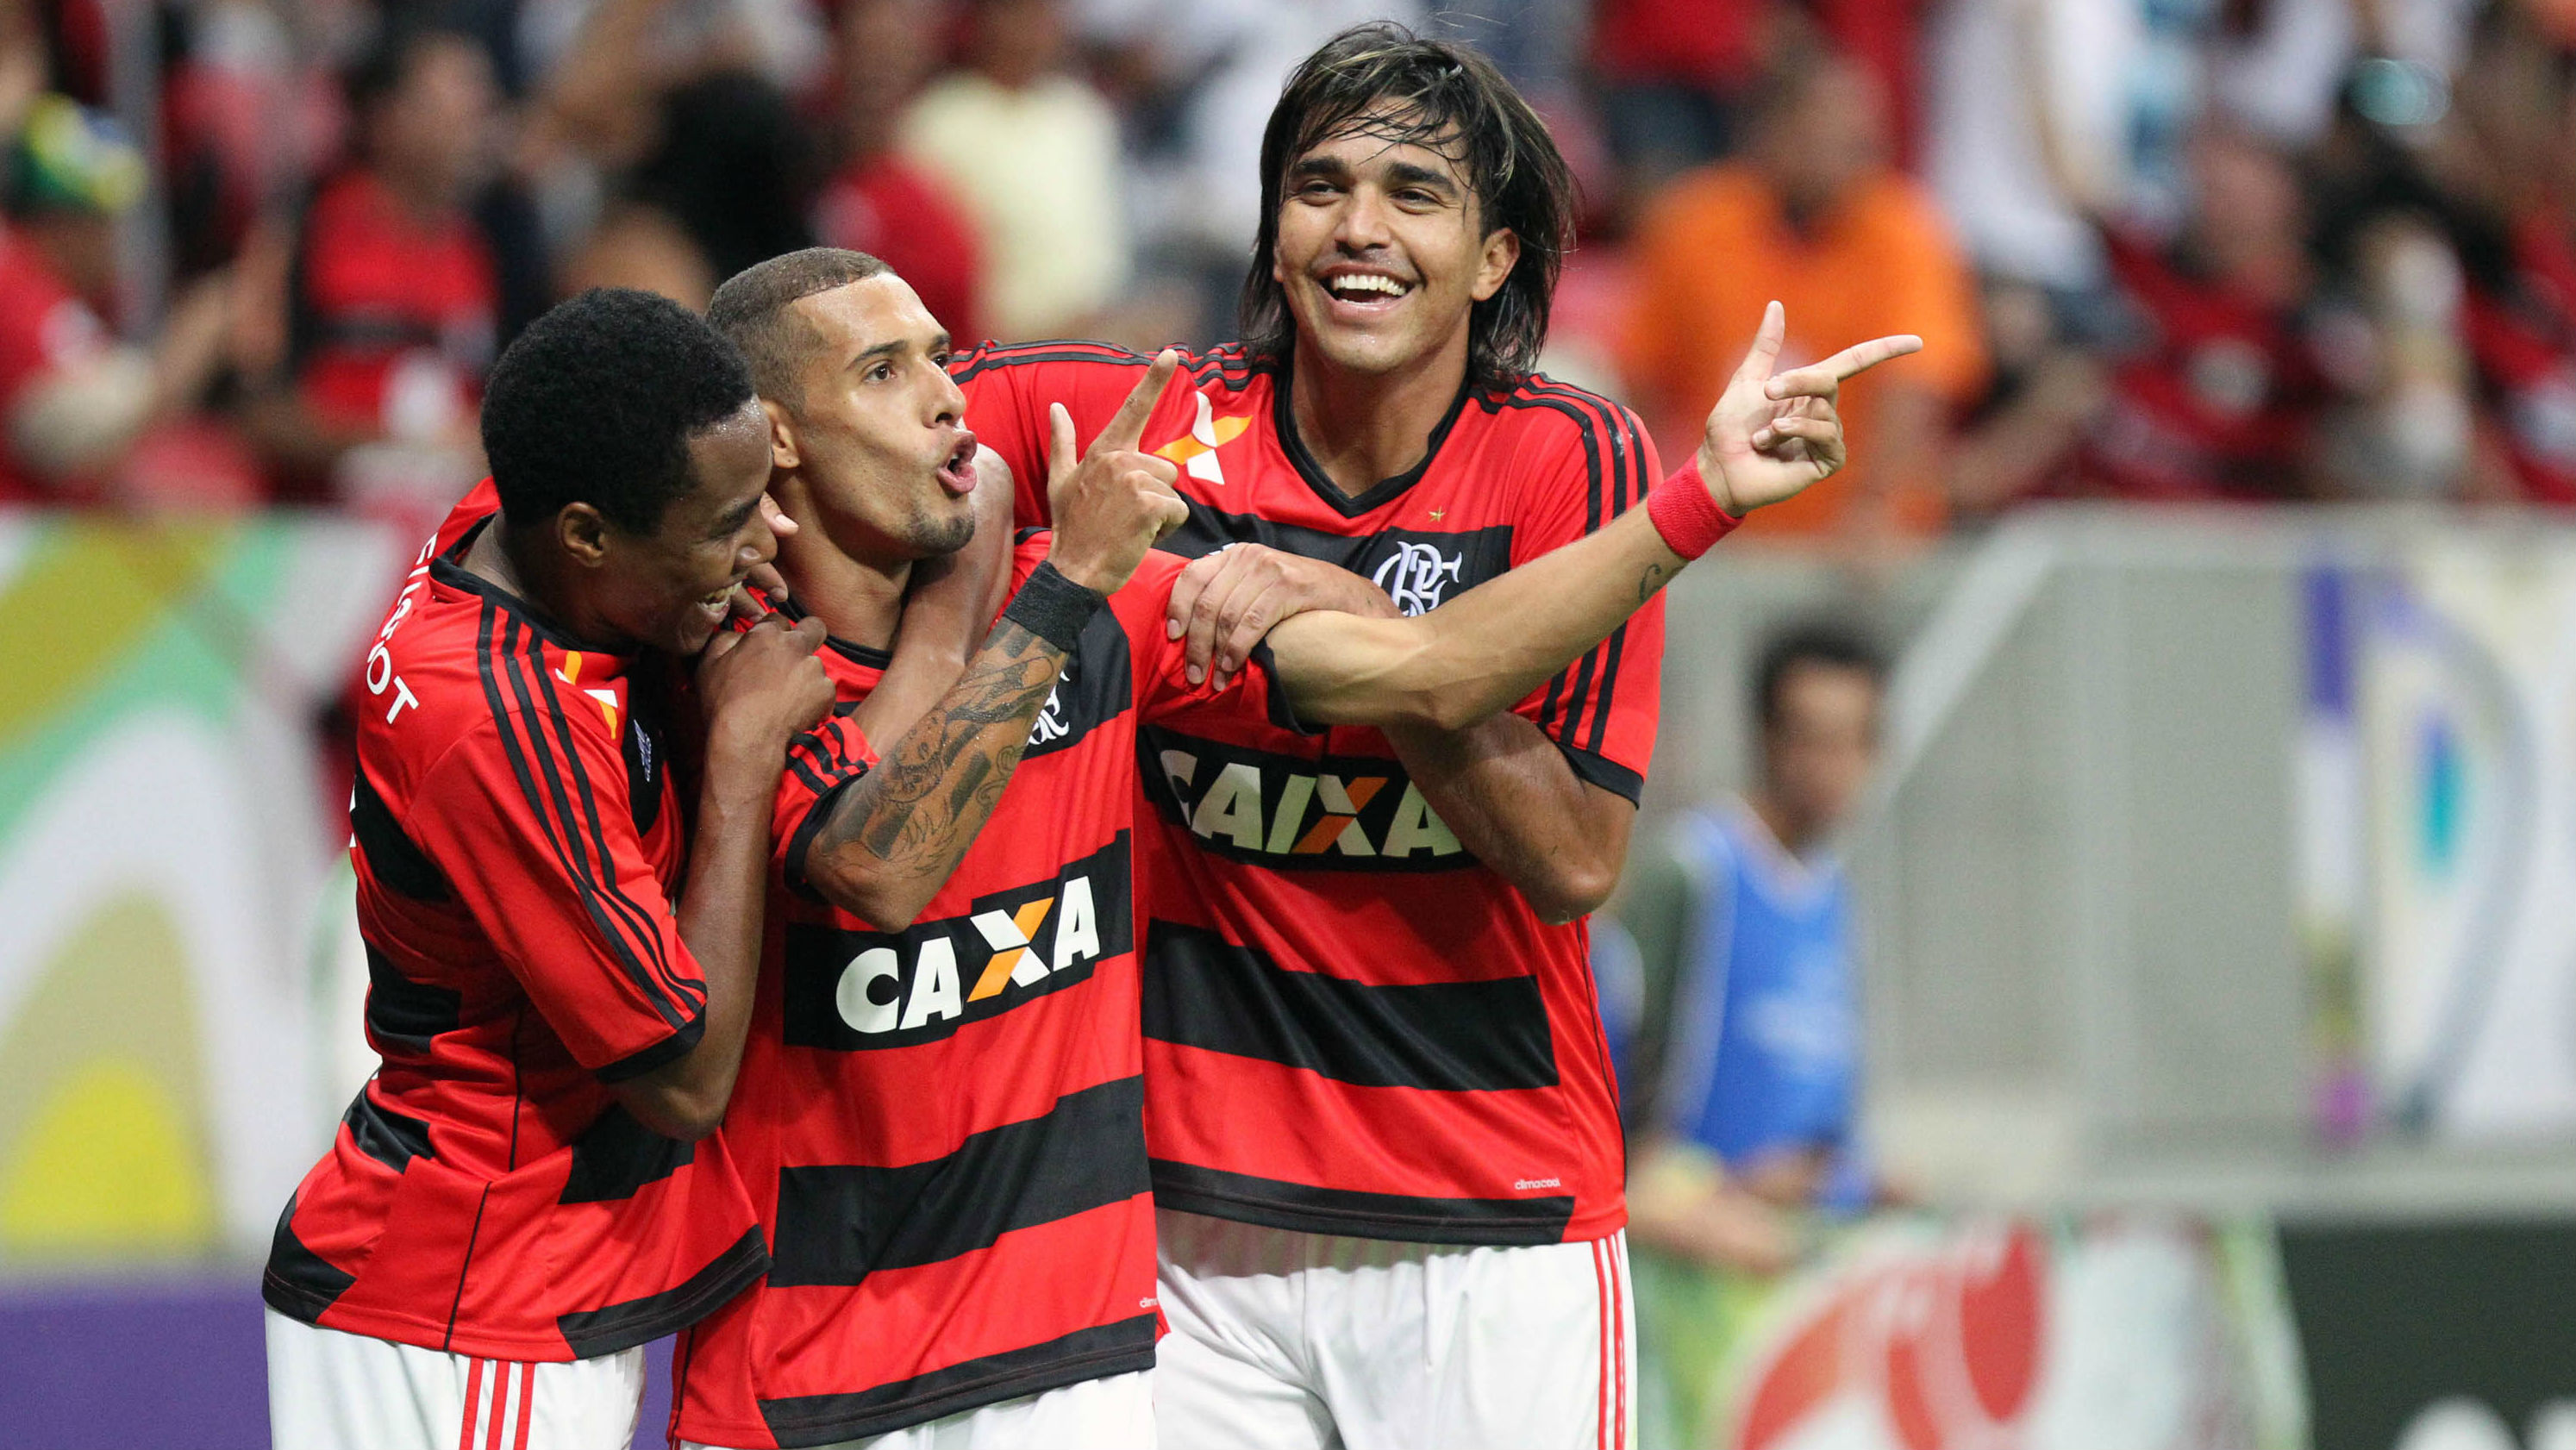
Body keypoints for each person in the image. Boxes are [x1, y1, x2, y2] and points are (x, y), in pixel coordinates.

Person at [666, 226, 1909, 1450]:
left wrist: (1700, 500)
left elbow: (1436, 672)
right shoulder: (731, 687)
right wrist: (1056, 589)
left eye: (943, 357)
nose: (948, 400)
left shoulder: (1119, 614)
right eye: (886, 373)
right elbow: (877, 864)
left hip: (1073, 1376)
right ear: (770, 436)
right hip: (800, 1380)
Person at [953, 23, 1925, 1448]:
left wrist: (1362, 635)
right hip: (1180, 1241)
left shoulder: (1566, 460)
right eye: (1319, 185)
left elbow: (1571, 855)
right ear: (1271, 230)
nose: (1359, 229)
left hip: (1485, 1232)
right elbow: (841, 393)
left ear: (1492, 257)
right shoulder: (1143, 423)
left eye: (1414, 193)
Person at [261, 289, 835, 1450]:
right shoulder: (500, 725)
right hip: (481, 1300)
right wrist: (738, 758)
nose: (768, 541)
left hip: (475, 1284)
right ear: (586, 535)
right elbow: (677, 1079)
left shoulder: (514, 518)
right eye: (724, 522)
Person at [1618, 623, 1888, 1450]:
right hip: (1690, 1282)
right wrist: (1686, 1196)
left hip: (1791, 1283)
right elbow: (1608, 1075)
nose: (1831, 765)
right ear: (1768, 737)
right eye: (1811, 736)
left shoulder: (1839, 891)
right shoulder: (1691, 873)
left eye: (1854, 741)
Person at [1620, 45, 1986, 542]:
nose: (1857, 145)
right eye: (1831, 129)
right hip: (1719, 536)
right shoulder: (1695, 223)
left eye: (1862, 132)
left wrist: (1874, 506)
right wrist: (1664, 503)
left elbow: (1917, 384)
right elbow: (1643, 380)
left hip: (1857, 549)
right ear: (1771, 131)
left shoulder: (1905, 228)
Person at [0, 93, 240, 503]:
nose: (122, 239)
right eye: (109, 219)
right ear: (62, 221)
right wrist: (190, 345)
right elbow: (69, 440)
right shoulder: (14, 285)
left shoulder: (57, 290)